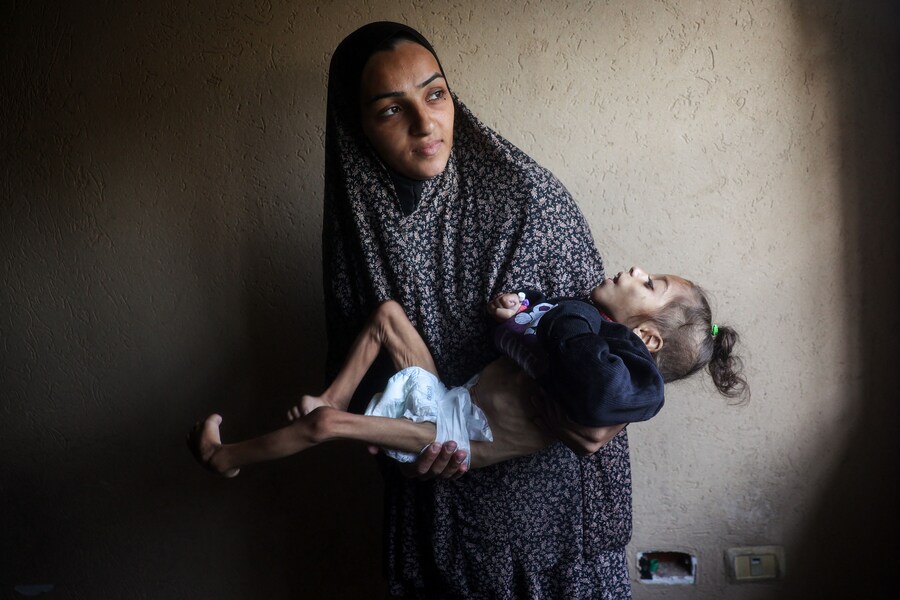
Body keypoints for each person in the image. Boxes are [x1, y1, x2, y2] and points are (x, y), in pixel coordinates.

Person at [323, 21, 626, 598]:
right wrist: (399, 446)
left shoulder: (528, 201)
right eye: (391, 109)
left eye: (436, 94)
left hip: (547, 520)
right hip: (435, 518)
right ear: (356, 127)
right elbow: (353, 368)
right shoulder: (357, 235)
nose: (425, 123)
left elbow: (613, 336)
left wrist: (609, 415)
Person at [189, 266, 746, 477]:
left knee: (327, 427)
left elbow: (602, 398)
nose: (637, 270)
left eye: (650, 285)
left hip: (453, 435)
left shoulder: (596, 380)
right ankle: (331, 394)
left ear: (646, 338)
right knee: (387, 316)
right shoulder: (580, 336)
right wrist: (516, 310)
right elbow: (538, 331)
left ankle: (225, 457)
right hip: (450, 398)